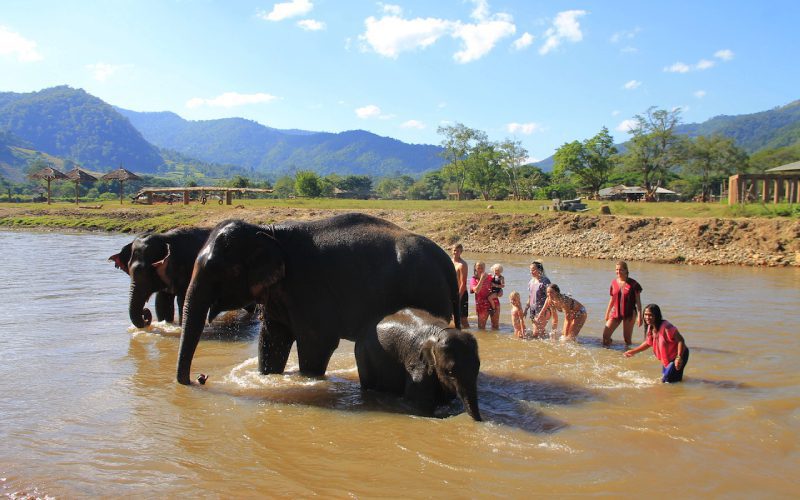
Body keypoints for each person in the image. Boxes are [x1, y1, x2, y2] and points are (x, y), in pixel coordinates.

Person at [624, 304, 689, 383]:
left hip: (678, 356)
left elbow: (680, 340)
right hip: (667, 358)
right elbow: (648, 343)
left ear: (657, 316)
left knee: (667, 382)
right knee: (671, 382)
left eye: (650, 315)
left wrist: (679, 357)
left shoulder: (666, 327)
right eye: (645, 315)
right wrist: (633, 351)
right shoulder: (651, 327)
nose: (647, 317)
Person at [602, 261, 643, 347]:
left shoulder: (634, 284)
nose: (618, 272)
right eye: (616, 270)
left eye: (621, 270)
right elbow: (612, 299)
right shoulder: (613, 283)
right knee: (605, 337)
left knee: (627, 340)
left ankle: (628, 355)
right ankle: (611, 353)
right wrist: (607, 313)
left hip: (629, 314)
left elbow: (638, 302)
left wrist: (640, 316)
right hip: (615, 312)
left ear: (626, 270)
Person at [523, 261, 551, 338]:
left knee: (536, 333)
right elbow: (530, 296)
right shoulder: (531, 281)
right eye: (530, 270)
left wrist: (542, 312)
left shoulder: (545, 281)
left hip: (543, 309)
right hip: (533, 310)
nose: (531, 271)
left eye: (533, 269)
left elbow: (549, 297)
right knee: (540, 332)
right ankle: (549, 342)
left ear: (539, 270)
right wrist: (525, 309)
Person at [451, 243, 470, 328]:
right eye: (454, 250)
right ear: (452, 250)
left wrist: (458, 297)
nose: (456, 252)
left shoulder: (462, 265)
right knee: (453, 317)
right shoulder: (449, 262)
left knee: (463, 319)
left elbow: (463, 283)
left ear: (461, 252)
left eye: (458, 251)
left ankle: (470, 335)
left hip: (461, 293)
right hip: (451, 293)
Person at [469, 261, 493, 330]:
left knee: (495, 327)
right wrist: (482, 279)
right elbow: (476, 291)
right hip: (481, 304)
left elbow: (497, 287)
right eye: (478, 268)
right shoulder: (473, 279)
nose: (480, 269)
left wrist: (500, 291)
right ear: (475, 269)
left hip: (493, 302)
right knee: (481, 328)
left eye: (482, 268)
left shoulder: (490, 277)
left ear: (484, 268)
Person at [486, 263, 504, 328]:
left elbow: (503, 285)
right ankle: (493, 307)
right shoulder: (492, 276)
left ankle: (493, 308)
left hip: (497, 291)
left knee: (489, 298)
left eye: (498, 270)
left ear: (500, 271)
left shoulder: (501, 278)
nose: (496, 272)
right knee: (489, 297)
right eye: (495, 270)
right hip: (492, 291)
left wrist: (495, 285)